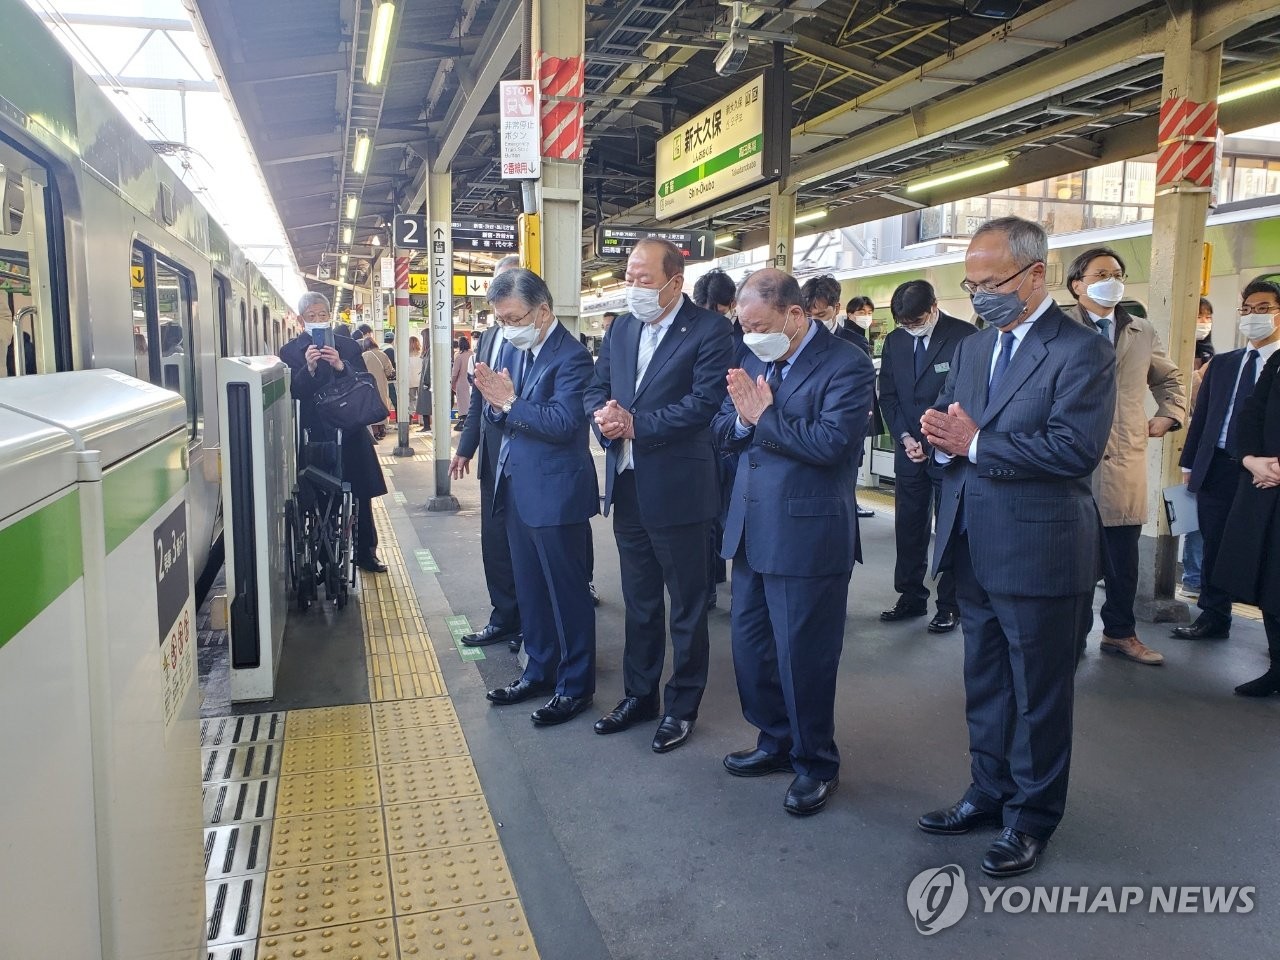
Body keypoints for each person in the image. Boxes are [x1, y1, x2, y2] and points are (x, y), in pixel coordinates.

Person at [918, 216, 1115, 878]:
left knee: (1039, 691)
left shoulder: (1079, 350)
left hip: (1040, 549)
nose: (978, 297)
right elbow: (959, 420)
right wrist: (934, 435)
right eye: (969, 284)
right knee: (986, 682)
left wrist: (971, 443)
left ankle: (1032, 816)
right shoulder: (977, 349)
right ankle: (987, 790)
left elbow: (1074, 449)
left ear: (1035, 275)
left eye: (989, 282)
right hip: (975, 541)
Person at [714, 268, 876, 816]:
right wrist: (741, 424)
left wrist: (763, 418)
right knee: (751, 651)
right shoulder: (757, 356)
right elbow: (723, 428)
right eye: (744, 324)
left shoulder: (846, 365)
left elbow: (832, 444)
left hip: (807, 536)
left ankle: (815, 763)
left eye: (758, 324)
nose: (749, 333)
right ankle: (774, 740)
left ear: (796, 315)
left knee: (803, 658)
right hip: (752, 529)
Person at [584, 237, 733, 753]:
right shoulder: (622, 328)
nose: (633, 287)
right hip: (627, 486)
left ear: (676, 281)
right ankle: (639, 694)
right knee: (640, 601)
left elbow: (704, 403)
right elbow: (596, 384)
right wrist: (604, 421)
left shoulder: (711, 331)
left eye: (643, 279)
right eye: (628, 276)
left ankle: (682, 705)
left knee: (687, 606)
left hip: (680, 489)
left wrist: (636, 424)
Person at [476, 268, 599, 726]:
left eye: (513, 317)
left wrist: (508, 404)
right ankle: (540, 669)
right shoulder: (515, 347)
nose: (506, 327)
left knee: (565, 594)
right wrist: (495, 403)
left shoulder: (573, 359)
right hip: (517, 488)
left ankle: (575, 685)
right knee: (530, 590)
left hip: (556, 494)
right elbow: (504, 413)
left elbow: (565, 424)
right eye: (501, 319)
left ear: (543, 311)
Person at [1065, 247, 1186, 665]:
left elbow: (1169, 378)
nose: (1112, 280)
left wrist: (1170, 414)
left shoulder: (1140, 330)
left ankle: (1119, 632)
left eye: (1117, 273)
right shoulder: (1056, 327)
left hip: (1123, 456)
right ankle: (1071, 634)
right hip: (1069, 456)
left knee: (1122, 558)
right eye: (1101, 273)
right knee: (1073, 557)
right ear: (1077, 283)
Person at [1173, 278, 1280, 642]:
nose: (1253, 317)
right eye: (1247, 310)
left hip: (1263, 473)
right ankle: (1213, 616)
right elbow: (1202, 418)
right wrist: (1189, 464)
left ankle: (1273, 635)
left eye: (1263, 309)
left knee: (1264, 550)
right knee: (1213, 542)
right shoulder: (1224, 363)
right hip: (1217, 466)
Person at [876, 280, 976, 632]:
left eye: (916, 320)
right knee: (909, 525)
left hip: (950, 452)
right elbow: (887, 393)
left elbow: (968, 396)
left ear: (933, 307)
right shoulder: (895, 341)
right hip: (909, 451)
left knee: (949, 529)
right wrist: (904, 436)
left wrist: (936, 438)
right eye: (904, 323)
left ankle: (949, 604)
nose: (910, 328)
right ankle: (910, 595)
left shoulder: (965, 336)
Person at [279, 292, 389, 573]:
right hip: (313, 433)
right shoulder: (291, 351)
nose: (317, 321)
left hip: (350, 429)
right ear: (302, 320)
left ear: (330, 315)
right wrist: (310, 367)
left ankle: (367, 552)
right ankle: (322, 555)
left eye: (322, 315)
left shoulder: (348, 346)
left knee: (360, 495)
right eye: (311, 317)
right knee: (318, 495)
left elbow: (362, 382)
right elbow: (294, 392)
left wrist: (340, 365)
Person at [452, 260, 525, 652]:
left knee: (524, 546)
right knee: (495, 542)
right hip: (492, 457)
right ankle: (504, 616)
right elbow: (480, 397)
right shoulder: (489, 337)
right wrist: (466, 448)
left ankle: (530, 625)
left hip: (525, 458)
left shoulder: (535, 336)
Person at [1215, 345, 1280, 696]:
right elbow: (1251, 412)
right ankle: (1278, 665)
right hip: (1264, 480)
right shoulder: (1277, 361)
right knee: (1270, 576)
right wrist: (1251, 459)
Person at [803, 276, 878, 520]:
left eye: (821, 315)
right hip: (808, 431)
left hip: (843, 431)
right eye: (809, 316)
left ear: (836, 309)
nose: (814, 322)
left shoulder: (855, 343)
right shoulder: (797, 341)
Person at [1182, 297, 1216, 593]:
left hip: (1197, 449)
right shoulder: (1174, 349)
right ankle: (1192, 575)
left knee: (1196, 514)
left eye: (1208, 315)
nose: (1204, 321)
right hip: (1176, 445)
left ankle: (1194, 576)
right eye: (1199, 315)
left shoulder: (1213, 357)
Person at [360, 334, 395, 440]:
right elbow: (389, 371)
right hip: (381, 383)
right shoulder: (382, 354)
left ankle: (375, 431)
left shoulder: (363, 356)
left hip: (368, 385)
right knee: (382, 404)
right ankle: (381, 429)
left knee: (371, 406)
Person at [451, 334, 473, 432]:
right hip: (472, 382)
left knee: (462, 402)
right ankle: (470, 420)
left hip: (461, 382)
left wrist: (452, 383)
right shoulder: (472, 354)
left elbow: (455, 372)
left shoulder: (458, 356)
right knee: (470, 401)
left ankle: (463, 421)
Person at [407, 335, 424, 415]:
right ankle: (422, 420)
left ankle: (410, 417)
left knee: (411, 400)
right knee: (421, 400)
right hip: (420, 380)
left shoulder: (406, 356)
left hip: (410, 380)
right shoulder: (421, 355)